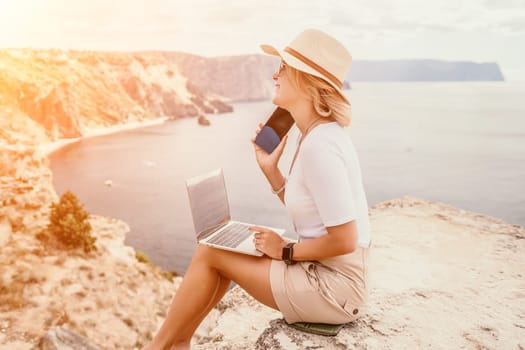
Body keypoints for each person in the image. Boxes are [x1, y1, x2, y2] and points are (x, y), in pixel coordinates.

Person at [142, 28, 371, 350]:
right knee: (224, 249)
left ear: (306, 81)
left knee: (210, 252)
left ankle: (164, 346)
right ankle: (175, 343)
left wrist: (285, 250)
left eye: (284, 68)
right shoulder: (319, 135)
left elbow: (345, 240)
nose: (274, 74)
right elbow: (314, 211)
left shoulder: (321, 146)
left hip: (333, 289)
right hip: (328, 275)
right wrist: (271, 170)